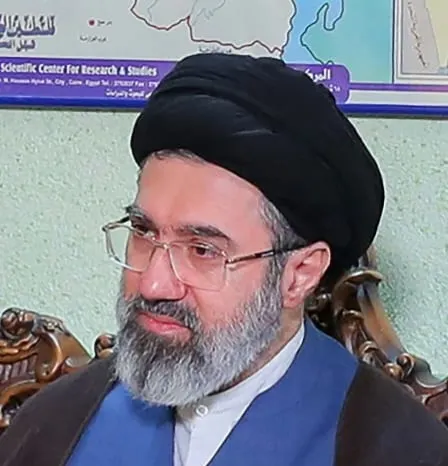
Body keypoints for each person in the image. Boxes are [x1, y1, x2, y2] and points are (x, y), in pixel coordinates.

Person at [0, 53, 447, 466]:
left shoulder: (395, 449)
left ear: (299, 274)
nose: (153, 284)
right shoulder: (58, 425)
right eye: (143, 232)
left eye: (202, 250)